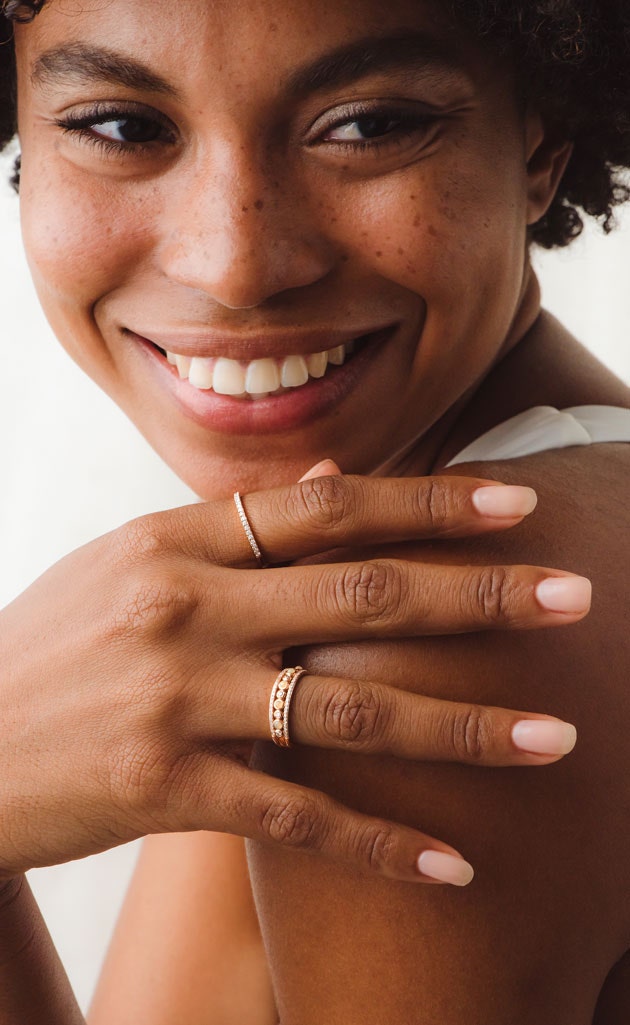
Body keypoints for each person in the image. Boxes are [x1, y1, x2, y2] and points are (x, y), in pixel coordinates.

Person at [0, 0, 629, 1022]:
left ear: (541, 148)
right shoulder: (281, 606)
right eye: (122, 126)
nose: (233, 265)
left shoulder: (437, 636)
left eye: (368, 124)